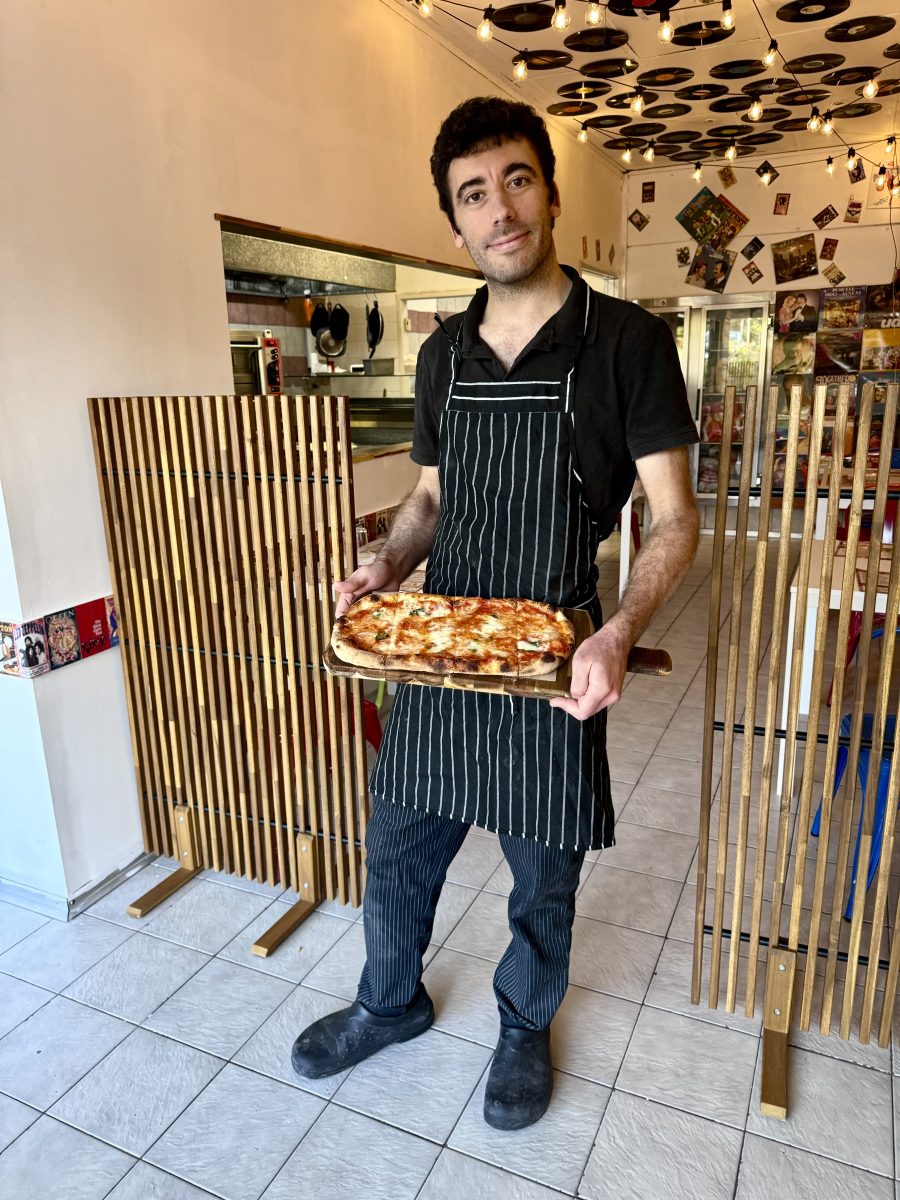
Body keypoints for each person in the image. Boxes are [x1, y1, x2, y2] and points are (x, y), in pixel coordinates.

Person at [291, 96, 700, 1130]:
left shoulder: (629, 342)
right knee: (395, 844)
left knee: (542, 878)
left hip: (551, 654)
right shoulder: (442, 356)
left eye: (517, 179)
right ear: (456, 221)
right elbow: (428, 500)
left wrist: (615, 633)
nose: (500, 208)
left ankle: (524, 1022)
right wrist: (384, 564)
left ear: (550, 192)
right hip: (442, 649)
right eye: (474, 193)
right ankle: (390, 1002)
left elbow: (674, 520)